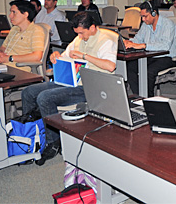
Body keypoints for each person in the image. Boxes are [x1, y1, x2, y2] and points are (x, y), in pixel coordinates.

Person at [21, 11, 118, 165]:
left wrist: (84, 56)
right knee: (28, 92)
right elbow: (66, 57)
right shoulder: (78, 39)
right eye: (78, 33)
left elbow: (110, 66)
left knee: (45, 98)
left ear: (92, 27)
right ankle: (29, 137)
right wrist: (57, 56)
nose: (80, 36)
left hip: (89, 87)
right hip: (71, 80)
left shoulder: (106, 41)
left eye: (81, 33)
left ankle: (54, 142)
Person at [124, 1, 176, 97]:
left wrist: (144, 45)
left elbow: (165, 46)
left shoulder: (168, 24)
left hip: (166, 57)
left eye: (145, 16)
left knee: (148, 71)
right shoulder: (146, 25)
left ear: (154, 13)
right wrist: (129, 42)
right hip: (150, 56)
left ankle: (148, 98)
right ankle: (139, 96)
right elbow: (138, 39)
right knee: (130, 66)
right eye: (142, 16)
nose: (143, 19)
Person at [0, 0, 45, 72]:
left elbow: (37, 56)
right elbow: (2, 47)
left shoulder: (36, 30)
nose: (10, 15)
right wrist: (0, 53)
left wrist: (10, 58)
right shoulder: (14, 29)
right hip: (4, 66)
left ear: (25, 14)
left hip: (19, 69)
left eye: (14, 12)